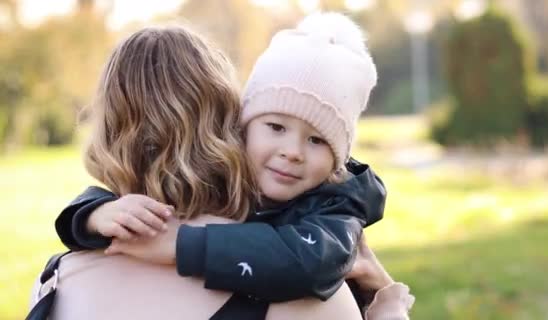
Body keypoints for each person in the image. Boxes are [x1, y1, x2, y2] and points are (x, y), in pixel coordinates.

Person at [49, 13, 415, 319]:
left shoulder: (55, 284)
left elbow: (306, 260)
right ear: (236, 126)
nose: (292, 152)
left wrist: (181, 243)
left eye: (317, 140)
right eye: (275, 127)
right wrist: (91, 216)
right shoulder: (314, 307)